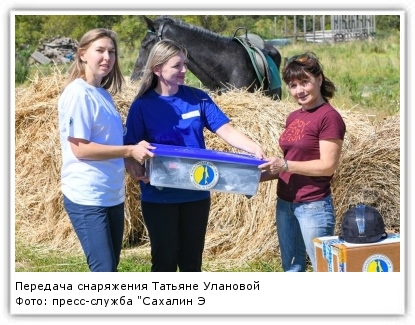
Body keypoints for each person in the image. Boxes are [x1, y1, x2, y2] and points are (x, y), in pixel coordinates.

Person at [124, 39, 266, 272]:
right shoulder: (142, 106)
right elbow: (130, 149)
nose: (184, 70)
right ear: (157, 69)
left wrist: (253, 148)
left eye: (185, 64)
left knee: (192, 262)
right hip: (159, 197)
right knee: (164, 261)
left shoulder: (198, 98)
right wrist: (133, 167)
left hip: (196, 193)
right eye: (177, 66)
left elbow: (226, 131)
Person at [58, 28, 155, 272]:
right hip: (87, 196)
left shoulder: (102, 94)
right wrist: (129, 151)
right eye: (99, 50)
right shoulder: (78, 94)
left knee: (112, 265)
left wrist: (131, 164)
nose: (107, 58)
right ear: (82, 55)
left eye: (111, 52)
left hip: (110, 194)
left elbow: (109, 141)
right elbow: (80, 149)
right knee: (104, 270)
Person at [258, 52, 346, 272]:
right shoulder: (294, 116)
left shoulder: (329, 117)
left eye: (304, 82)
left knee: (322, 269)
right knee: (292, 269)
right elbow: (291, 162)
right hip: (285, 203)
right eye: (293, 85)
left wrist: (285, 165)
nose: (299, 90)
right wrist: (253, 177)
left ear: (319, 79)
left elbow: (327, 165)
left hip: (313, 206)